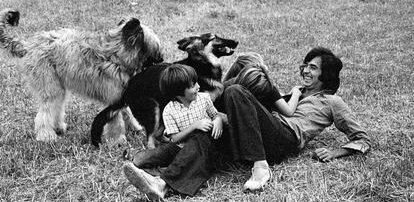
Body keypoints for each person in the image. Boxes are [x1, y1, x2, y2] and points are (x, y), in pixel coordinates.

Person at [220, 47, 371, 192]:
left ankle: (261, 168)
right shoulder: (295, 93)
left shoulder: (332, 101)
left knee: (235, 91)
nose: (305, 70)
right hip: (261, 135)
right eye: (305, 66)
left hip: (285, 139)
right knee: (237, 85)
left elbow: (363, 140)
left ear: (325, 74)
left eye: (312, 67)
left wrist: (334, 153)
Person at [122, 64, 223, 201]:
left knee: (188, 153)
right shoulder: (169, 110)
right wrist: (194, 126)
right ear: (178, 92)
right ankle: (140, 161)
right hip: (178, 146)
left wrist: (218, 121)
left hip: (200, 146)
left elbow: (216, 115)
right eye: (193, 85)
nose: (198, 87)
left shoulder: (204, 99)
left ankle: (160, 182)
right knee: (139, 160)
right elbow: (174, 139)